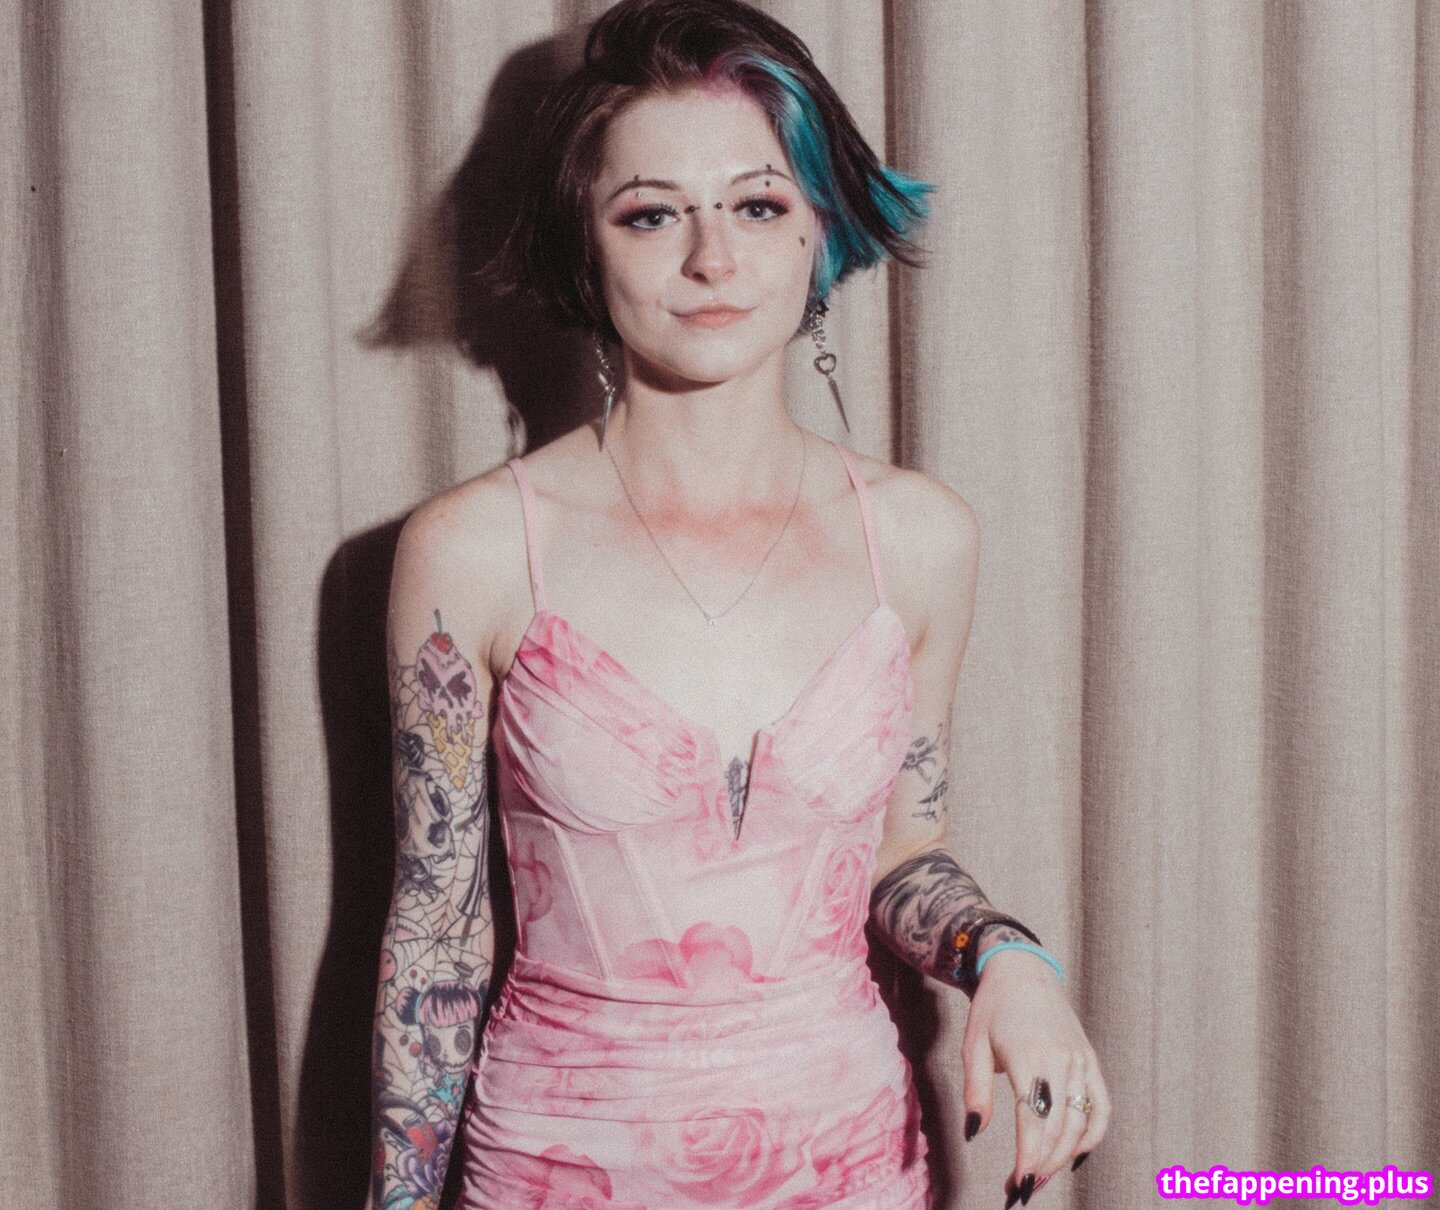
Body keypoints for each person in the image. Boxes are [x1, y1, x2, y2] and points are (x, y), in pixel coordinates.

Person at [369, 1, 1109, 1206]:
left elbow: (901, 848)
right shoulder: (475, 553)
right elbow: (438, 940)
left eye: (758, 205)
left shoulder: (919, 539)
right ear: (585, 244)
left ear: (821, 225)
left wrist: (1009, 961)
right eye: (651, 213)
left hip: (851, 1160)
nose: (713, 260)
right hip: (560, 1165)